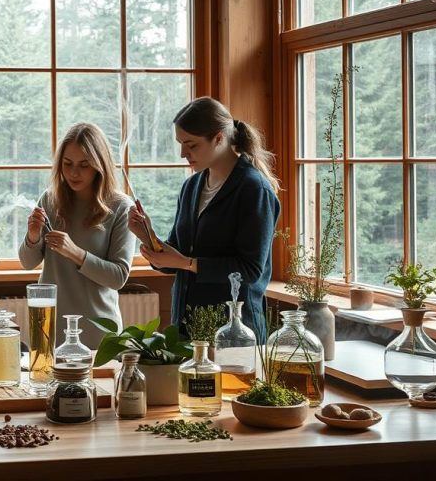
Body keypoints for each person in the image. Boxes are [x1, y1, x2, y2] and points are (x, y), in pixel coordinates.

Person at [129, 98, 280, 341]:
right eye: (180, 144)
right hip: (187, 328)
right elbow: (176, 258)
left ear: (219, 138)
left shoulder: (253, 189)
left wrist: (188, 263)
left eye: (191, 145)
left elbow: (250, 270)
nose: (182, 153)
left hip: (234, 333)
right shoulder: (191, 186)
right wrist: (147, 235)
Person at [19, 122, 137, 349]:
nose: (73, 173)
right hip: (50, 329)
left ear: (99, 166)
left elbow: (118, 277)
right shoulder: (50, 200)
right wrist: (33, 236)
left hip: (98, 332)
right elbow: (27, 262)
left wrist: (75, 252)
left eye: (84, 165)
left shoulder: (121, 207)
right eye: (67, 164)